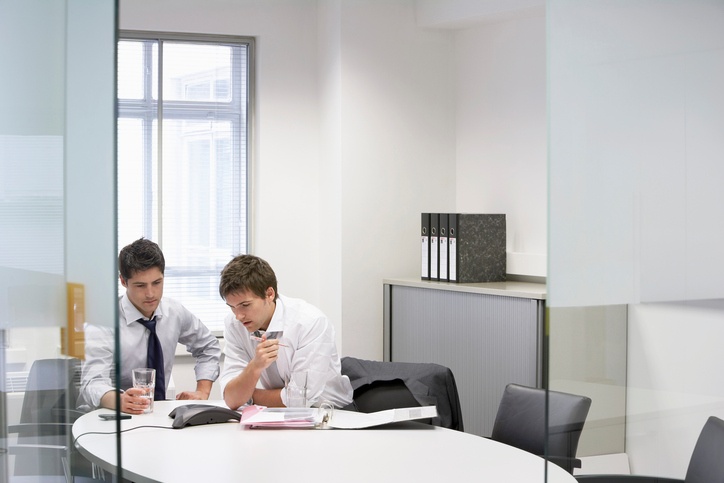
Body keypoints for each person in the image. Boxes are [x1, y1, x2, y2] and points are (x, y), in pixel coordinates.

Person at [79, 238, 221, 414]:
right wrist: (121, 400)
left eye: (157, 283)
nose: (150, 294)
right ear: (123, 281)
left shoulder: (174, 312)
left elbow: (208, 346)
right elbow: (93, 382)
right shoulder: (102, 322)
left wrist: (202, 391)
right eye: (140, 285)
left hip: (158, 414)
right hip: (114, 416)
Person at [218, 254, 353, 410]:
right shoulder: (234, 324)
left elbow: (300, 398)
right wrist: (254, 367)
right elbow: (232, 399)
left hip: (331, 413)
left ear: (269, 294)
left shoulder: (309, 322)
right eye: (232, 307)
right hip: (279, 413)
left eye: (245, 305)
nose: (238, 316)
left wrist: (249, 395)